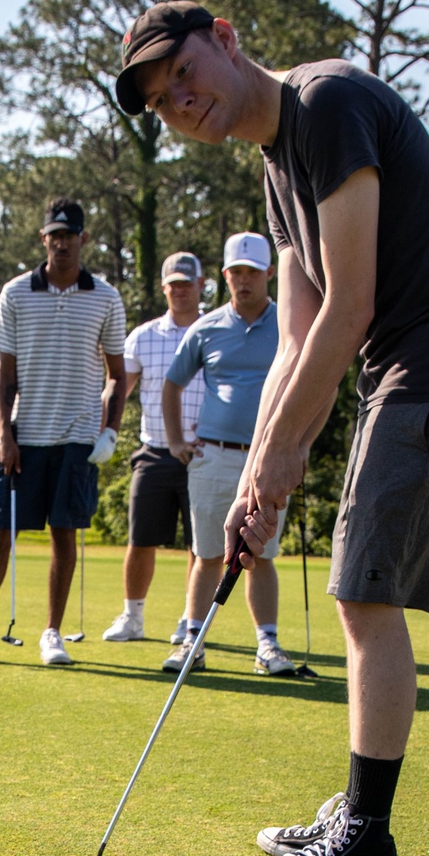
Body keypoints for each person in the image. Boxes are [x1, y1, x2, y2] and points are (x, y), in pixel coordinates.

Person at [115, 2, 429, 856]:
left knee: (363, 597)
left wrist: (280, 457)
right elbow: (296, 345)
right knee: (357, 593)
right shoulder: (276, 170)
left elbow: (352, 307)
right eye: (160, 99)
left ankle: (367, 834)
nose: (180, 101)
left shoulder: (328, 104)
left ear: (225, 37)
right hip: (406, 373)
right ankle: (355, 807)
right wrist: (261, 473)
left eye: (183, 72)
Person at [0, 199, 127, 667]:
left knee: (63, 533)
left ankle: (52, 634)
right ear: (43, 238)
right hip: (24, 434)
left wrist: (110, 431)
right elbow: (4, 374)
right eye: (54, 234)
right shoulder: (15, 293)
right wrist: (5, 434)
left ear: (83, 239)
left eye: (69, 235)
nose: (61, 242)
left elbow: (117, 374)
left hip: (77, 435)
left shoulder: (105, 297)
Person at [161, 231, 296, 677]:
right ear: (224, 276)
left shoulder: (291, 323)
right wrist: (177, 441)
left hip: (268, 461)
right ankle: (193, 642)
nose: (243, 281)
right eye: (236, 273)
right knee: (206, 553)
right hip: (213, 457)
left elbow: (324, 388)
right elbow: (172, 384)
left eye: (252, 273)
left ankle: (268, 646)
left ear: (269, 274)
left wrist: (302, 443)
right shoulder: (207, 327)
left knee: (262, 556)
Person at [102, 252, 205, 645]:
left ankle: (190, 619)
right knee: (140, 540)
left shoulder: (214, 330)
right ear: (164, 288)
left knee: (201, 546)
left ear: (200, 285)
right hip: (154, 451)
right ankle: (133, 617)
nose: (179, 290)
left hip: (203, 454)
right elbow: (119, 390)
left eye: (186, 283)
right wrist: (99, 430)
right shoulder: (144, 336)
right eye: (173, 284)